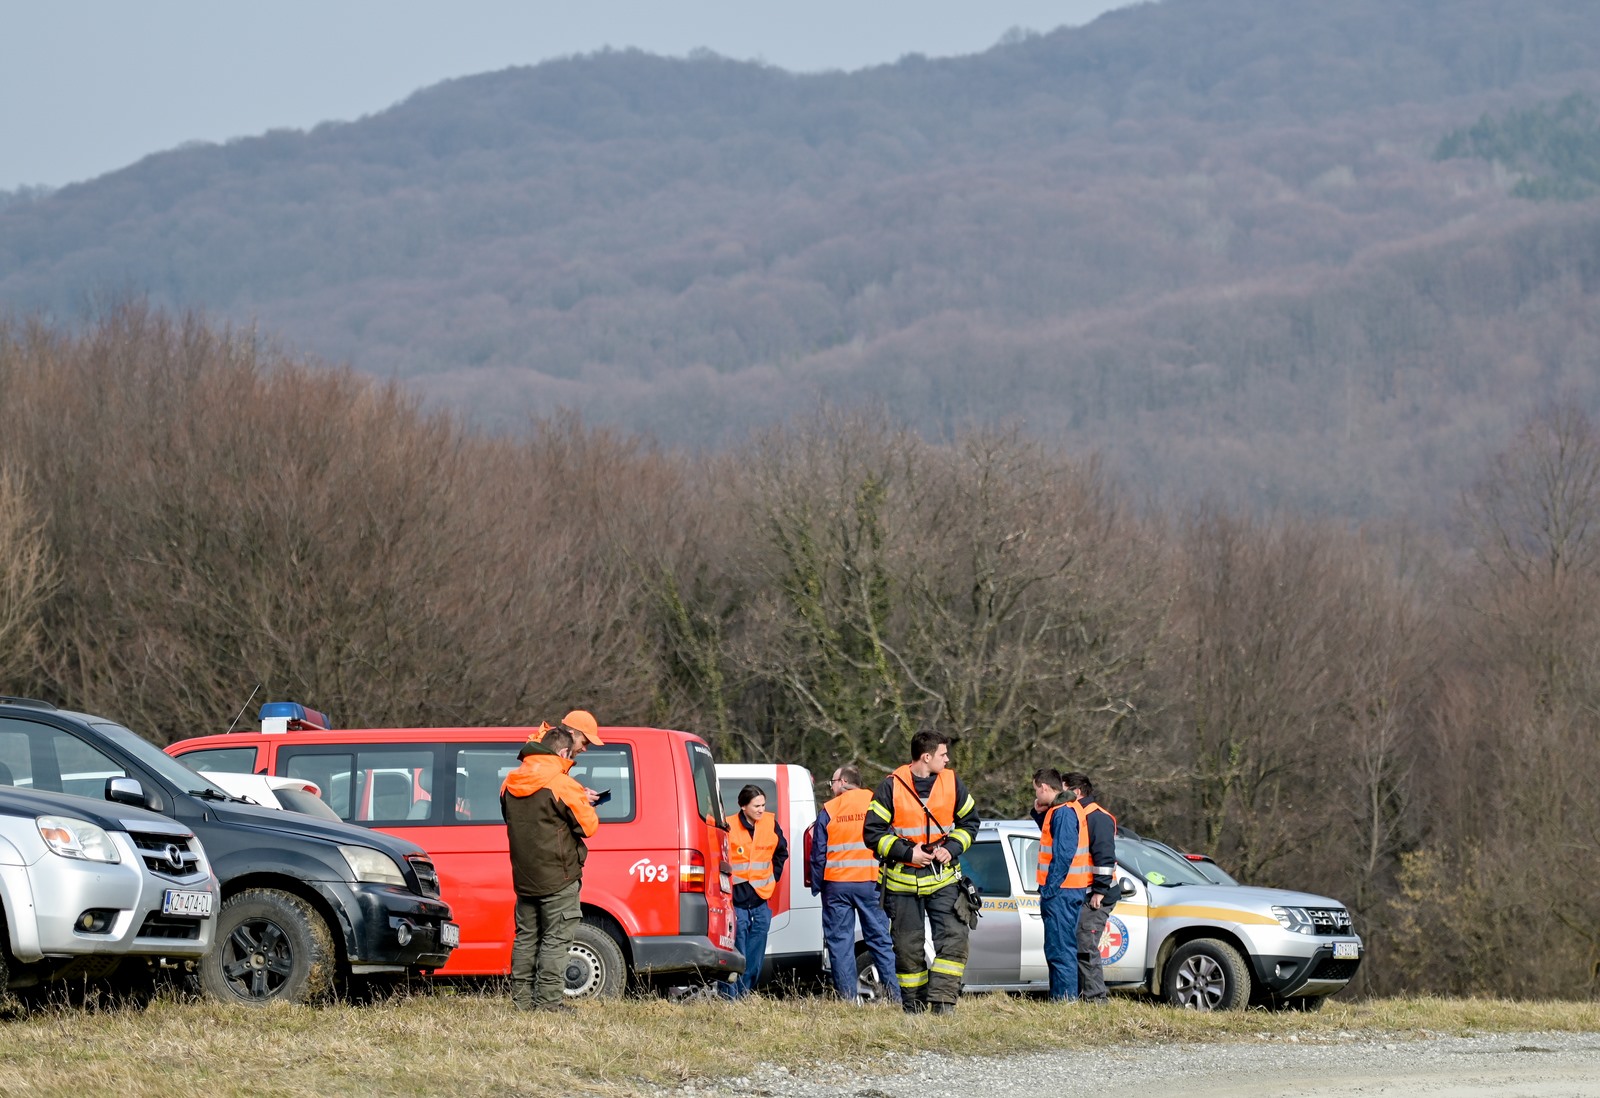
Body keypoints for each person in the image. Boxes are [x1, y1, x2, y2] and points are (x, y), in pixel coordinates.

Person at [862, 729, 980, 1014]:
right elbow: (872, 833)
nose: (948, 760)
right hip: (903, 883)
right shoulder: (891, 786)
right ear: (926, 757)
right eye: (943, 754)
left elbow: (970, 823)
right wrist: (908, 852)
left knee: (954, 941)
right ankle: (913, 1009)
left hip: (944, 879)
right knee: (906, 951)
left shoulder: (952, 783)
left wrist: (950, 848)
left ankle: (942, 1004)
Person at [500, 725, 599, 1011]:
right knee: (556, 940)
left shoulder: (509, 781)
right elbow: (588, 826)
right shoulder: (562, 783)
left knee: (526, 938)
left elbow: (510, 817)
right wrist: (585, 801)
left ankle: (521, 1002)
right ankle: (549, 1003)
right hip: (560, 875)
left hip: (524, 875)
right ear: (563, 752)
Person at [808, 764, 900, 1004]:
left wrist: (817, 885)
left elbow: (818, 854)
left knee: (840, 944)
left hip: (836, 885)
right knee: (880, 940)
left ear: (844, 782)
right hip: (870, 883)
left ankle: (848, 1000)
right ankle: (896, 997)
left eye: (833, 783)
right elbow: (891, 842)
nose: (831, 788)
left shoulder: (829, 809)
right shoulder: (876, 803)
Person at [1030, 767, 1091, 1002]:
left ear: (1045, 787)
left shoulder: (1064, 812)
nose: (1036, 795)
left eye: (1036, 790)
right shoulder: (1063, 809)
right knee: (1059, 947)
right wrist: (1038, 814)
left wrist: (1049, 889)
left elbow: (1063, 854)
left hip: (1061, 892)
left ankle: (1064, 1000)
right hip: (1067, 889)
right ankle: (1061, 999)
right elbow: (1053, 837)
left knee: (1060, 949)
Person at [722, 783, 788, 998]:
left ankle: (744, 996)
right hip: (737, 903)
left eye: (763, 804)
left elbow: (781, 853)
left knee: (755, 957)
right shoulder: (728, 826)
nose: (761, 809)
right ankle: (730, 999)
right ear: (743, 806)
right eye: (756, 805)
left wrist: (773, 877)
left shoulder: (770, 824)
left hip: (760, 902)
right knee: (735, 955)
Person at [1064, 771, 1118, 1004]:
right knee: (1079, 944)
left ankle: (1096, 1000)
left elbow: (1104, 857)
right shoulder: (1077, 814)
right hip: (1082, 891)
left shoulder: (1096, 817)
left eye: (1063, 790)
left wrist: (1100, 890)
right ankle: (1082, 997)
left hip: (1094, 894)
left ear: (1076, 792)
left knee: (1085, 945)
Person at [532, 709, 605, 804]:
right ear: (572, 734)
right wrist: (580, 800)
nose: (584, 749)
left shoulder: (548, 755)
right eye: (584, 743)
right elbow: (545, 801)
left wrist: (579, 795)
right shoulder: (540, 757)